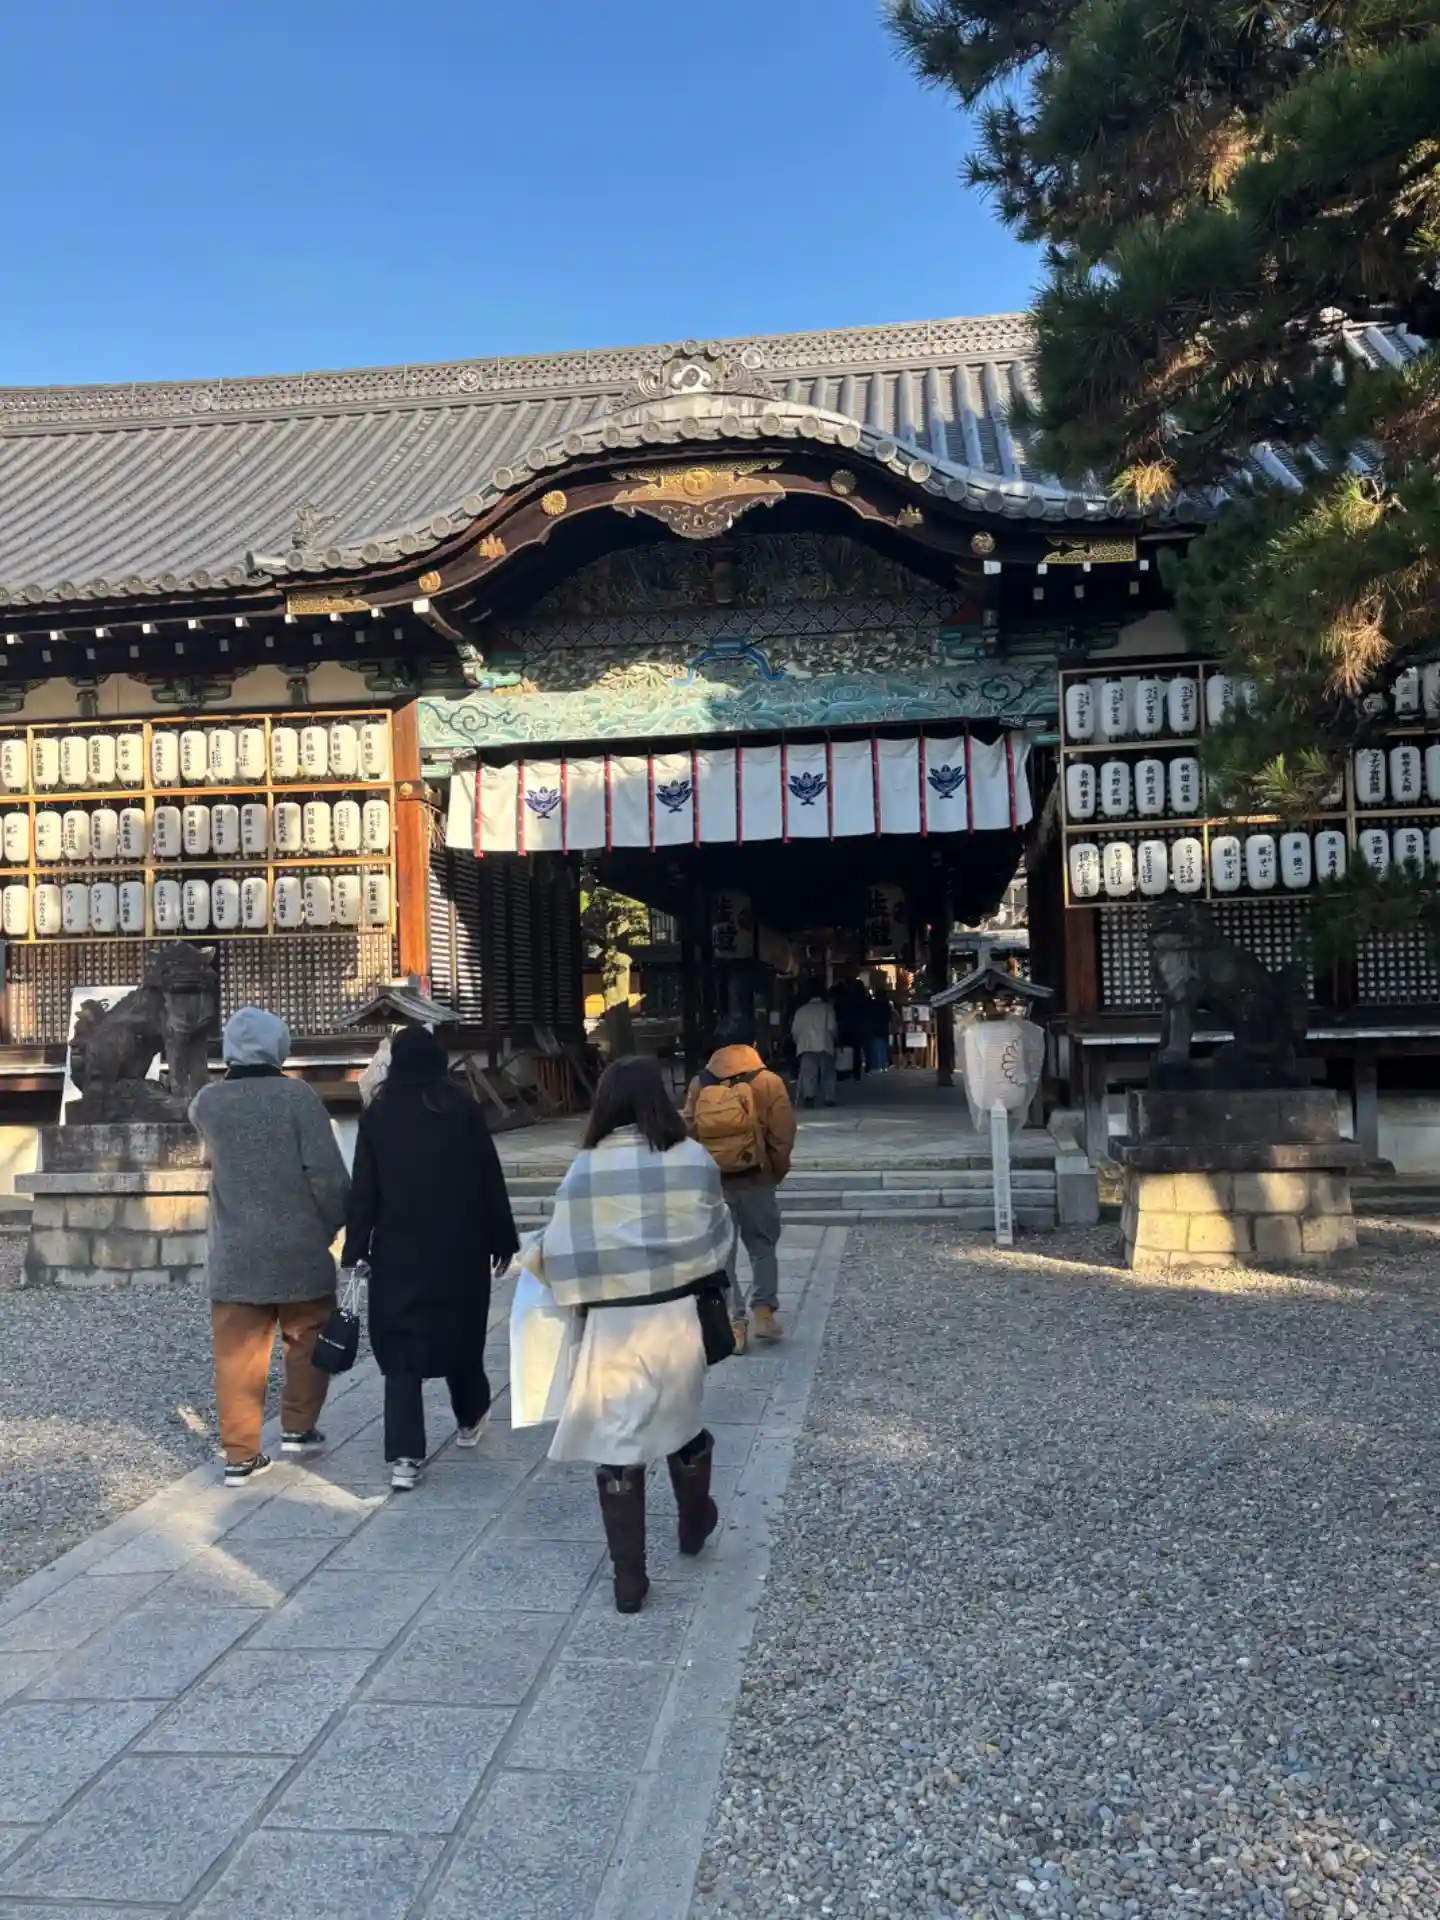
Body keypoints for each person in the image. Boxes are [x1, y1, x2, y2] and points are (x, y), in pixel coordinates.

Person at [522, 1055, 733, 1613]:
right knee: (682, 1421)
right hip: (677, 1316)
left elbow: (560, 1251)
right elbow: (717, 1236)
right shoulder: (692, 1158)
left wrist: (535, 1256)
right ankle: (694, 1522)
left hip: (612, 1324)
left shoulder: (585, 1168)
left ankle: (629, 1579)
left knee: (618, 1442)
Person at [341, 1026, 519, 1491]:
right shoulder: (461, 1108)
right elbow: (488, 1175)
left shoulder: (378, 1116)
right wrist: (503, 1237)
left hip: (399, 1250)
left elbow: (365, 1190)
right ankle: (470, 1417)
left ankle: (405, 1456)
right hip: (461, 1248)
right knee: (461, 1335)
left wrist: (355, 1248)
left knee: (401, 1349)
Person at [190, 1007, 351, 1486]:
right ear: (280, 1046)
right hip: (299, 1245)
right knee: (307, 1338)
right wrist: (332, 1223)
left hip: (235, 1250)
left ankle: (241, 1455)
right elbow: (326, 1173)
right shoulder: (297, 1097)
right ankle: (299, 1427)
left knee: (237, 1355)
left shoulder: (207, 1103)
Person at [683, 1013, 796, 1352]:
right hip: (756, 1178)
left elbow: (689, 1130)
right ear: (754, 1043)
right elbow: (783, 1133)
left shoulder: (700, 1082)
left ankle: (735, 1324)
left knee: (724, 1253)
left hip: (716, 1181)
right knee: (762, 1245)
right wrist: (773, 1171)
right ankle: (763, 1311)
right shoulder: (768, 1081)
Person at [791, 982, 838, 1109]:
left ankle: (809, 1096)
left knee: (808, 1072)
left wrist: (798, 1041)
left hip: (806, 1045)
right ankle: (829, 1097)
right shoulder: (827, 1009)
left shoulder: (801, 1010)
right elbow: (832, 1027)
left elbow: (795, 1030)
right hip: (824, 1043)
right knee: (827, 1071)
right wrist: (835, 1038)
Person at [867, 980, 895, 1074]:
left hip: (874, 1027)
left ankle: (877, 1065)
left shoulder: (872, 1004)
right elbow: (889, 1017)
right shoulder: (887, 1004)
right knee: (884, 1045)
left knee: (875, 1047)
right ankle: (884, 1064)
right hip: (884, 1027)